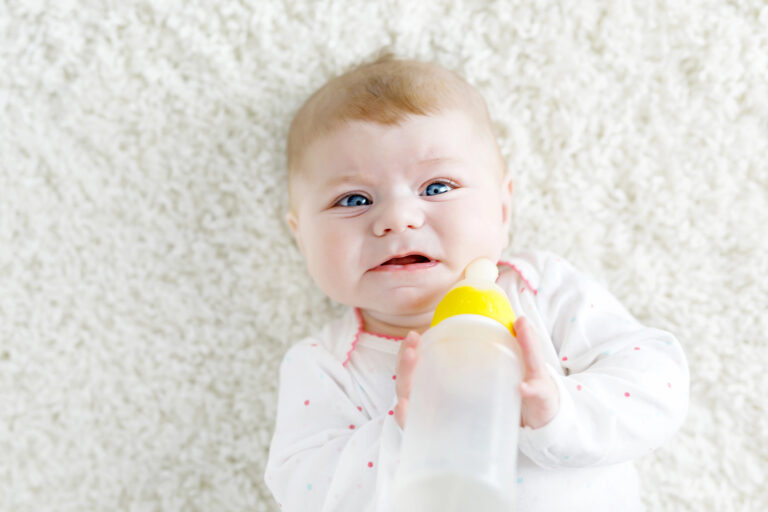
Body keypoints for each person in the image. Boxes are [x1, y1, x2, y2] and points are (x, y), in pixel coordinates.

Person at [264, 52, 689, 511]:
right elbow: (305, 490)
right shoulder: (324, 366)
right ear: (300, 236)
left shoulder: (539, 290)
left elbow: (655, 383)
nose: (398, 218)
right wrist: (406, 435)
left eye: (437, 187)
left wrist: (559, 409)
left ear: (503, 209)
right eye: (353, 199)